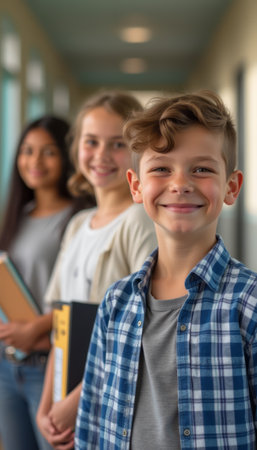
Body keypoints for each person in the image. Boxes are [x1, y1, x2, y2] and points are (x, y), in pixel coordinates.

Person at [75, 91, 257, 450]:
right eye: (161, 168)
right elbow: (93, 419)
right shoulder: (116, 302)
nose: (180, 184)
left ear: (231, 187)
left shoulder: (248, 303)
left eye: (202, 169)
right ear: (136, 186)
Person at [36, 91, 157, 449]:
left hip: (104, 399)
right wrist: (47, 405)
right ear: (77, 150)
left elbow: (140, 332)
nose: (102, 155)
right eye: (91, 142)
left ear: (137, 152)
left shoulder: (138, 221)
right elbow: (60, 322)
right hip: (62, 397)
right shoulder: (78, 223)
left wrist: (74, 404)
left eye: (117, 144)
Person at [0, 115, 94, 450]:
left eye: (48, 151)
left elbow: (84, 298)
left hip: (50, 366)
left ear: (67, 156)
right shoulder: (16, 216)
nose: (35, 161)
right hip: (8, 366)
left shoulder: (81, 219)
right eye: (27, 150)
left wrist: (35, 328)